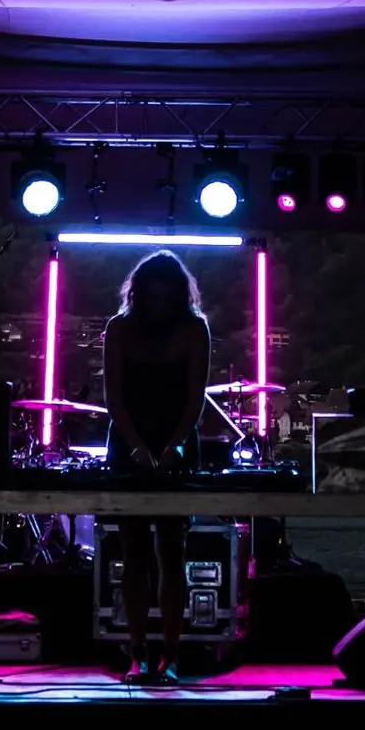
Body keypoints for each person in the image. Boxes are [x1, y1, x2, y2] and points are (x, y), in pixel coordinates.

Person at [102, 250, 211, 684]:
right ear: (140, 292)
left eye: (167, 296)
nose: (160, 302)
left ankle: (171, 654)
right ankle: (136, 652)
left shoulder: (194, 328)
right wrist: (135, 446)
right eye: (153, 295)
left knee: (171, 551)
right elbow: (113, 399)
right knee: (132, 553)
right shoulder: (119, 328)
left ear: (178, 294)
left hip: (176, 438)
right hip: (129, 436)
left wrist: (175, 445)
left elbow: (195, 397)